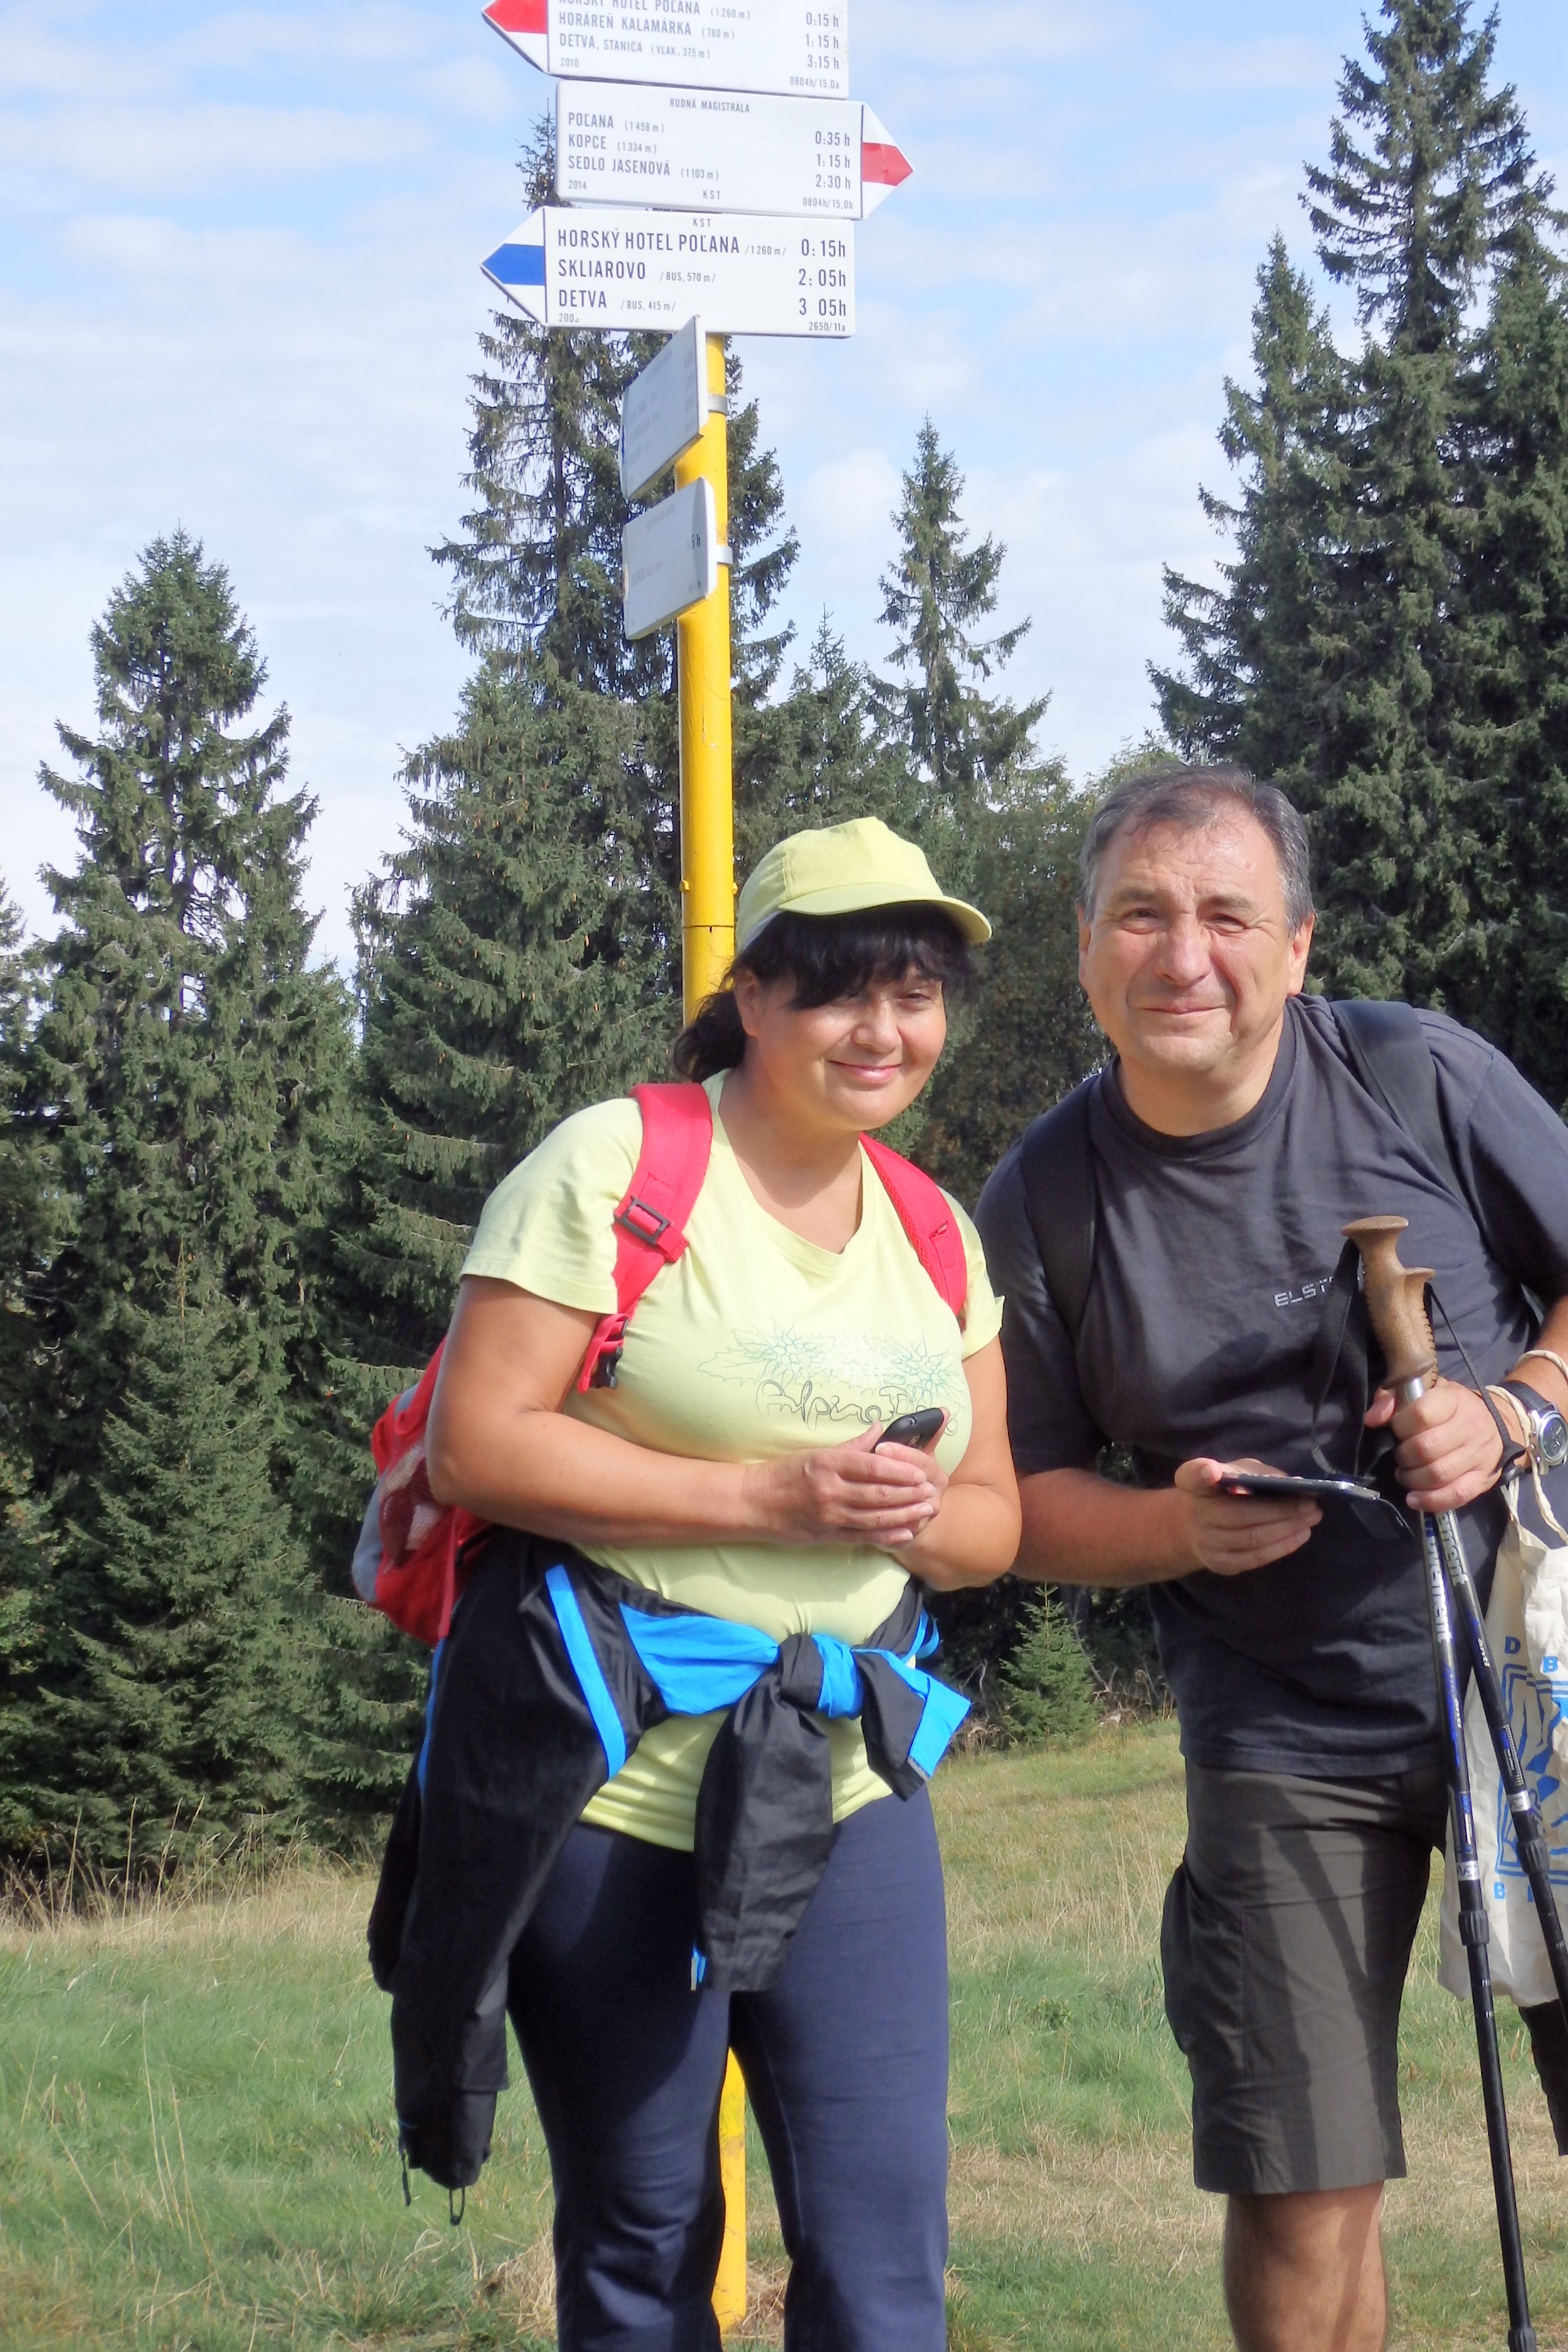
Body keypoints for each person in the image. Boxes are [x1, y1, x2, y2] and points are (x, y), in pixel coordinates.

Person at [975, 764, 1568, 2352]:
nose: (1186, 957)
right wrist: (1170, 1529)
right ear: (1083, 947)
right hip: (1283, 1721)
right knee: (1302, 2179)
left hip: (1537, 1667)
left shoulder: (1413, 1073)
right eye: (1141, 915)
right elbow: (1010, 1497)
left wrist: (1516, 1410)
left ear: (1296, 947)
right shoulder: (1043, 1199)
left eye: (1227, 916)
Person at [418, 817, 1021, 2352]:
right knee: (644, 2241)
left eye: (915, 995)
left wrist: (904, 1518)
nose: (882, 1031)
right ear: (750, 995)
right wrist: (767, 1496)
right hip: (612, 1791)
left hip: (849, 1785)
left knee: (884, 2250)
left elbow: (994, 1523)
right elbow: (473, 1443)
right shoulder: (616, 1167)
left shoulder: (936, 1232)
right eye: (837, 991)